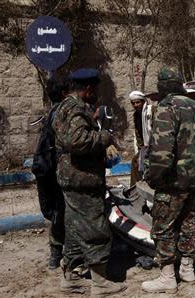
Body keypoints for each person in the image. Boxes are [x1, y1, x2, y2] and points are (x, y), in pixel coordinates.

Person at [52, 68, 126, 296]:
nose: (97, 95)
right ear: (89, 88)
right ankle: (101, 283)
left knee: (75, 229)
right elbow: (77, 140)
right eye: (96, 90)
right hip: (83, 180)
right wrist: (105, 136)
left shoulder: (64, 105)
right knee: (95, 229)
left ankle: (71, 278)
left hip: (70, 177)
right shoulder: (76, 108)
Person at [141, 67, 195, 293]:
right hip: (193, 179)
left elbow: (161, 152)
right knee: (187, 222)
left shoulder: (167, 107)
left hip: (172, 181)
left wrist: (153, 177)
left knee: (163, 226)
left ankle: (167, 277)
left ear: (162, 87)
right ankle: (187, 270)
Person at [32, 77, 70, 270]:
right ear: (64, 93)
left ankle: (55, 256)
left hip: (49, 169)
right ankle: (64, 257)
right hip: (58, 171)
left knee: (58, 212)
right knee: (64, 212)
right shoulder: (62, 113)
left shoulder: (50, 113)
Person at [129, 90, 150, 186]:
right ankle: (135, 188)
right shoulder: (136, 116)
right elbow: (138, 135)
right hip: (145, 147)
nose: (136, 105)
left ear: (143, 101)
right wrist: (141, 149)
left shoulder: (151, 111)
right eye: (133, 103)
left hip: (155, 145)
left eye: (138, 102)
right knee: (136, 161)